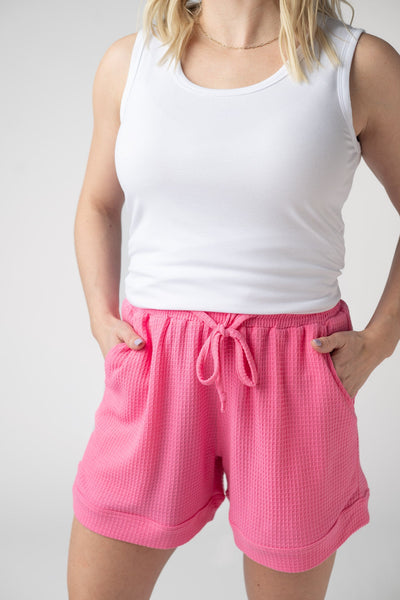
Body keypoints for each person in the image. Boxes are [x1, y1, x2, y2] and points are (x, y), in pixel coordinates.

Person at [67, 0, 400, 598]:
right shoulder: (131, 62)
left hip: (293, 374)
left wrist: (379, 341)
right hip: (156, 364)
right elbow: (97, 204)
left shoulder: (357, 65)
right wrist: (100, 317)